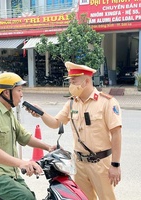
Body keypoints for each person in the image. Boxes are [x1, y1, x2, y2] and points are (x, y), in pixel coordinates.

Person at [28, 62, 122, 200]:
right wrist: (41, 113)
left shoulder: (107, 102)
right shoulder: (72, 103)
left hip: (101, 164)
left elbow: (116, 134)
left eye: (74, 81)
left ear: (86, 81)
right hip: (79, 164)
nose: (71, 84)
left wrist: (115, 164)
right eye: (70, 80)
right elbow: (55, 123)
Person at [0, 72, 55, 200]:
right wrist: (21, 163)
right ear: (7, 93)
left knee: (31, 197)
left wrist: (48, 148)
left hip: (9, 172)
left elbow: (24, 136)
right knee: (26, 197)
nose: (22, 94)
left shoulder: (9, 113)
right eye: (19, 90)